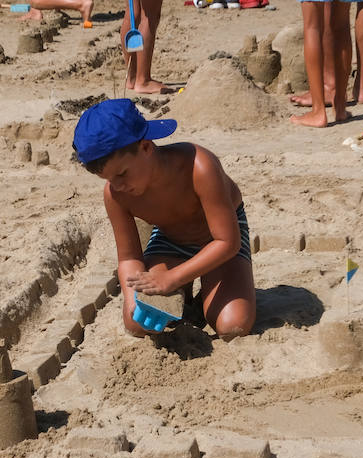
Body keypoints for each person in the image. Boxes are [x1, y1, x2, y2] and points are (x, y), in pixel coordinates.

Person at [74, 99, 255, 341]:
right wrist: (132, 300)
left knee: (233, 325)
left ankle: (201, 288)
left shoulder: (198, 166)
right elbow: (129, 258)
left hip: (221, 243)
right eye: (107, 179)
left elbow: (227, 242)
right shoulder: (116, 194)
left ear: (147, 147)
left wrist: (173, 278)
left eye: (122, 174)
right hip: (172, 240)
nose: (118, 186)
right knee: (137, 323)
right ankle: (187, 292)